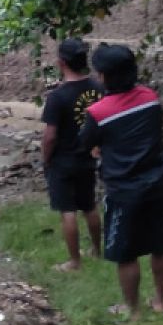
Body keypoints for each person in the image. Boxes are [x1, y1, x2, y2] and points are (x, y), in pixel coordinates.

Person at [80, 44, 163, 319]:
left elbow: (86, 143)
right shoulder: (150, 98)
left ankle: (133, 311)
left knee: (126, 253)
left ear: (104, 77)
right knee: (159, 246)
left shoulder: (98, 112)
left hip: (123, 189)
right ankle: (161, 302)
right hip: (157, 182)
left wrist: (100, 148)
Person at [41, 38, 103, 271]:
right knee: (89, 206)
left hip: (63, 159)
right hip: (88, 156)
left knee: (67, 210)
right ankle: (97, 250)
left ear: (61, 63)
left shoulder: (57, 97)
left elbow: (50, 136)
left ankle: (74, 261)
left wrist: (46, 159)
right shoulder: (98, 88)